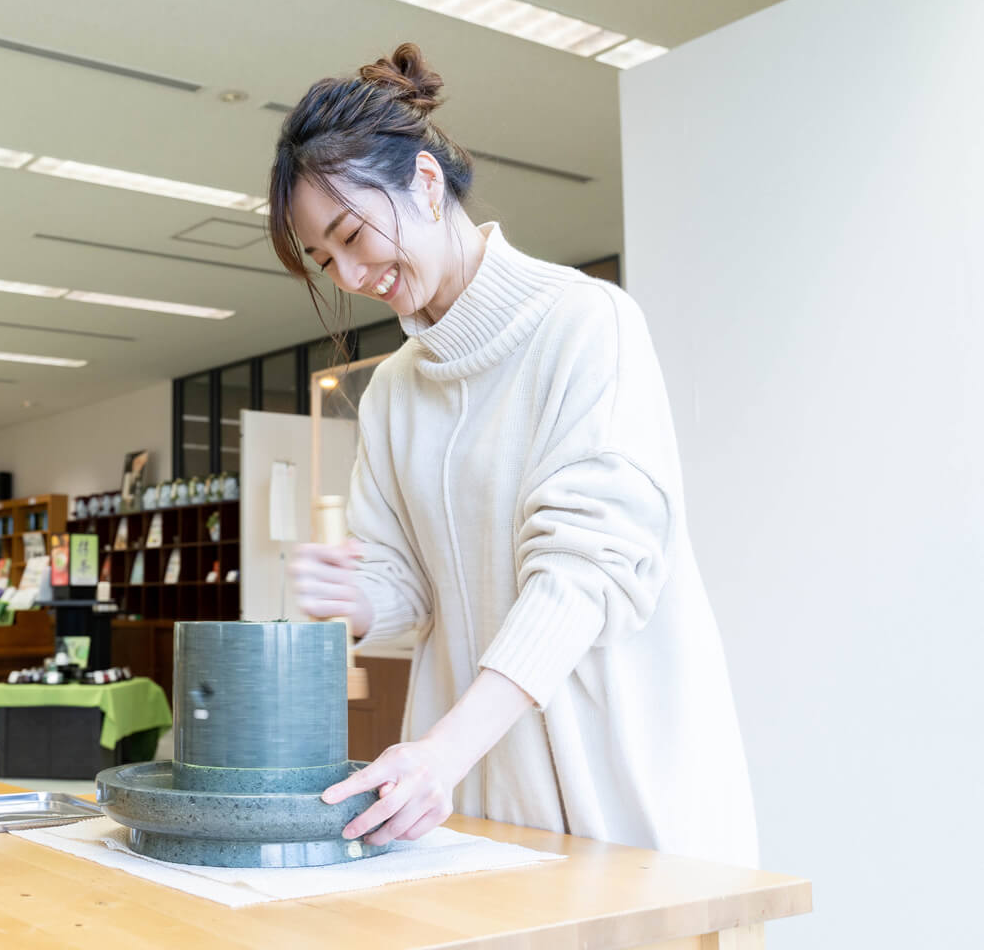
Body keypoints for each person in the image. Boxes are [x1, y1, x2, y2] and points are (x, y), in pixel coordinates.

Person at [273, 43, 758, 867]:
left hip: (616, 782)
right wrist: (356, 601)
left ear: (427, 183)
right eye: (326, 261)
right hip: (478, 795)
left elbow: (583, 577)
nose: (353, 274)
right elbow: (409, 590)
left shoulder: (586, 323)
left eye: (353, 234)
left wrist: (443, 752)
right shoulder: (393, 392)